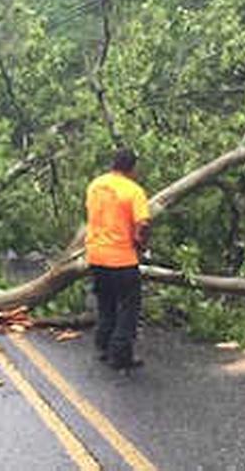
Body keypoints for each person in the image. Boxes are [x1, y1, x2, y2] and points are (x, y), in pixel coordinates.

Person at [85, 148, 151, 370]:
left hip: (96, 254)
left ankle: (103, 345)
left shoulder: (95, 185)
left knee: (106, 303)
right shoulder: (134, 191)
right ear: (132, 167)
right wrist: (141, 245)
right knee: (129, 307)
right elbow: (142, 224)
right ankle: (120, 354)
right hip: (121, 257)